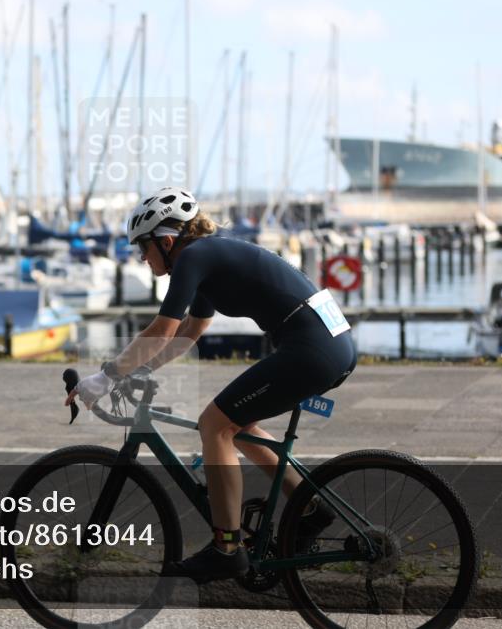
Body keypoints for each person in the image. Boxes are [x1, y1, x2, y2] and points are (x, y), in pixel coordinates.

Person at [65, 187, 357, 583]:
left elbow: (164, 327)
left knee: (214, 425)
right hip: (329, 344)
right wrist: (140, 370)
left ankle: (226, 548)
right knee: (240, 426)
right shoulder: (207, 258)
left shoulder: (196, 257)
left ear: (166, 241)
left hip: (313, 349)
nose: (141, 258)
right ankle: (310, 509)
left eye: (143, 248)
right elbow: (190, 331)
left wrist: (106, 376)